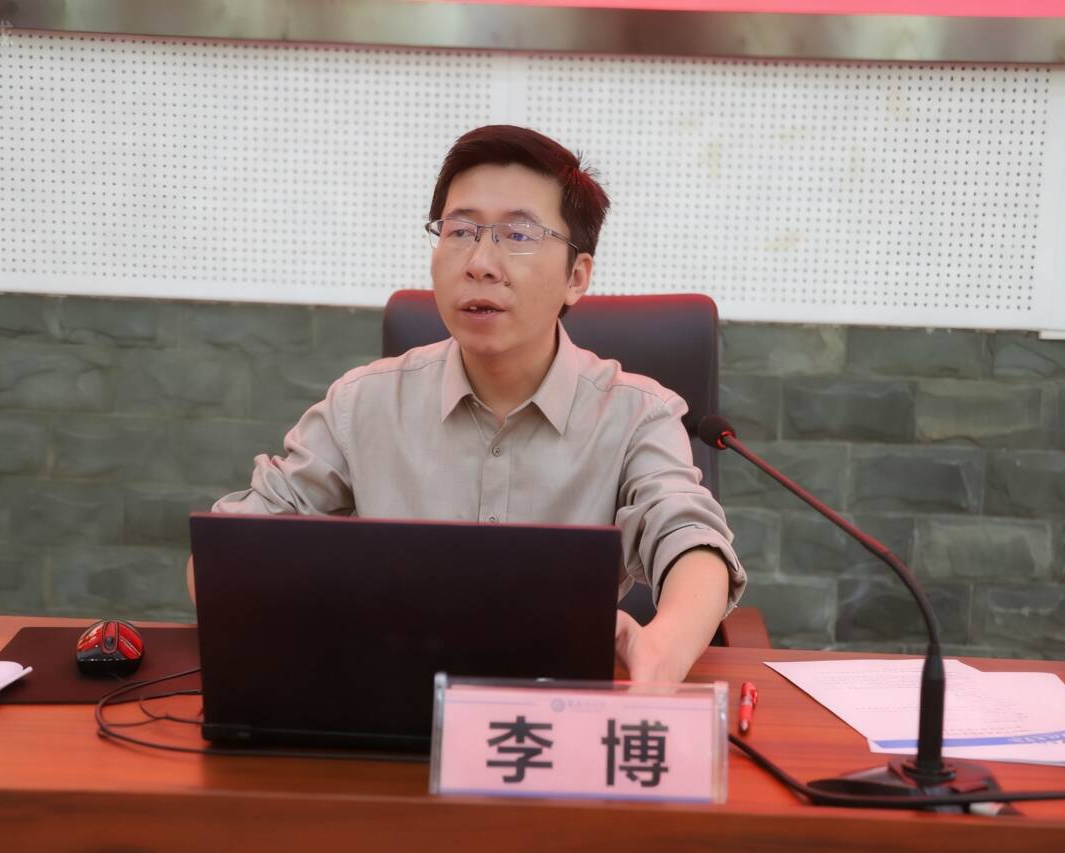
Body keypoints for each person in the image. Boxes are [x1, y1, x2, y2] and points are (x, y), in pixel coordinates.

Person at [187, 125, 746, 682]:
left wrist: (663, 649)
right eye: (460, 231)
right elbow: (227, 552)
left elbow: (689, 538)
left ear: (576, 277)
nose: (480, 263)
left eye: (519, 235)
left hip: (557, 707)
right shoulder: (363, 404)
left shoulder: (637, 414)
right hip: (392, 697)